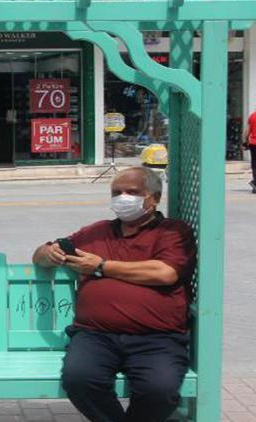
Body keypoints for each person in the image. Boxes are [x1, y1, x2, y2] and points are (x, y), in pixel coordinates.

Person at [32, 167, 197, 422]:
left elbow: (165, 273)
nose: (123, 198)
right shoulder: (96, 232)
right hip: (95, 336)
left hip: (157, 338)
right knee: (79, 380)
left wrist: (101, 266)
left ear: (153, 198)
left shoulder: (173, 232)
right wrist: (47, 252)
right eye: (116, 192)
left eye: (132, 192)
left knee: (159, 390)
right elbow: (43, 255)